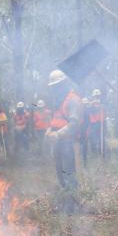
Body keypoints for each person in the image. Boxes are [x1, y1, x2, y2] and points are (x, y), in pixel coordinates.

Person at [46, 69, 84, 213]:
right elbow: (56, 119)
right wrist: (49, 130)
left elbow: (74, 124)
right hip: (59, 143)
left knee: (69, 174)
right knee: (60, 173)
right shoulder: (60, 100)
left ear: (63, 84)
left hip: (68, 142)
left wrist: (58, 134)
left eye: (57, 86)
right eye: (53, 87)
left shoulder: (73, 100)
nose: (55, 89)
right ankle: (66, 201)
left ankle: (72, 206)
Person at [87, 89, 105, 157]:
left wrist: (102, 106)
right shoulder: (91, 104)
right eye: (96, 96)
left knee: (102, 138)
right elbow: (90, 110)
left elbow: (105, 109)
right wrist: (94, 105)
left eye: (98, 96)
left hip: (101, 123)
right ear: (93, 96)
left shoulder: (102, 103)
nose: (97, 97)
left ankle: (102, 153)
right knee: (93, 139)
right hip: (93, 123)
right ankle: (94, 153)